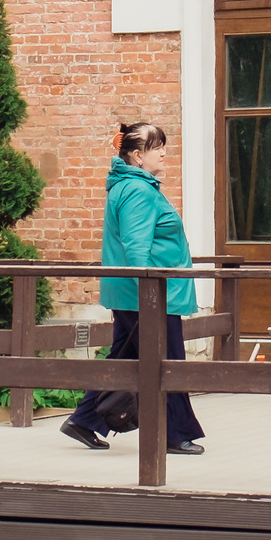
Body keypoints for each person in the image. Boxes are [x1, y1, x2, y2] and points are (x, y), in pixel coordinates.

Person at [62, 122, 208, 455]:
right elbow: (136, 248)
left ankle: (84, 420)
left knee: (124, 357)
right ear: (138, 156)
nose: (164, 153)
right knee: (168, 360)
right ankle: (174, 433)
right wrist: (150, 297)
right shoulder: (138, 191)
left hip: (139, 296)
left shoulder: (133, 186)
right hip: (148, 297)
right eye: (157, 147)